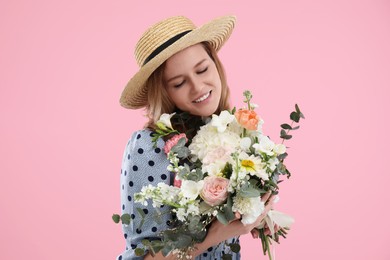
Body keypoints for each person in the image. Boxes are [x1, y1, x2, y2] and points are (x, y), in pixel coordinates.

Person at [117, 15, 275, 260]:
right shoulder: (149, 147)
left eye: (202, 69)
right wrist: (212, 236)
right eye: (179, 83)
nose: (198, 87)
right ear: (165, 93)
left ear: (215, 63)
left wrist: (255, 212)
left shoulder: (233, 131)